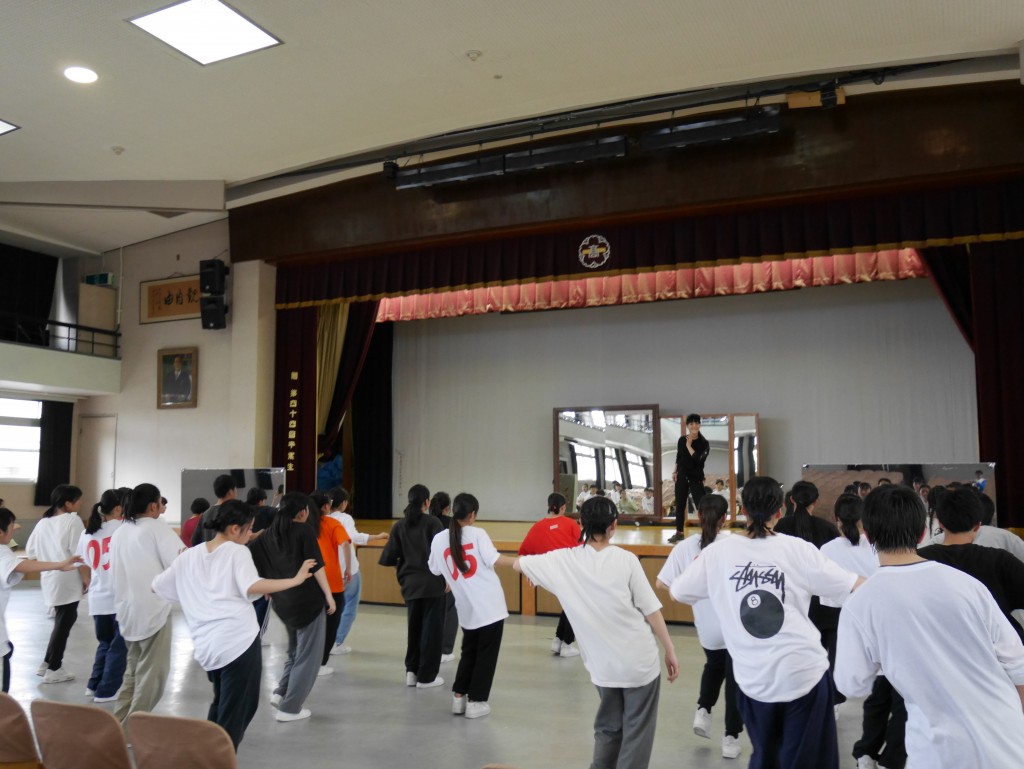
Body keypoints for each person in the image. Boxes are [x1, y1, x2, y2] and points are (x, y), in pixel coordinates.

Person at [670, 476, 863, 769]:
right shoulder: (799, 550)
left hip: (753, 680)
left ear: (743, 510)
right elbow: (853, 585)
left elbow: (679, 591)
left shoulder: (717, 553)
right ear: (780, 511)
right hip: (803, 674)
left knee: (766, 756)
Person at [835, 486, 1024, 769]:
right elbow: (1017, 661)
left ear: (868, 536)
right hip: (1005, 735)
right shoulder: (968, 585)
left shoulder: (860, 603)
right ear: (923, 533)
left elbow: (852, 683)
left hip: (936, 747)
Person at [514, 496, 679, 769]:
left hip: (603, 667)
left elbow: (517, 563)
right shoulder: (626, 560)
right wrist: (670, 649)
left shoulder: (564, 560)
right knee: (637, 732)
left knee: (608, 728)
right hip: (639, 664)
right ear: (614, 525)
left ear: (581, 523)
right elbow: (651, 610)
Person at [152, 499, 317, 749]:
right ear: (234, 529)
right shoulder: (236, 551)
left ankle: (209, 753)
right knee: (237, 711)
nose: (251, 534)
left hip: (208, 648)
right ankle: (219, 757)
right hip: (238, 645)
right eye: (249, 529)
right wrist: (295, 580)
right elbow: (252, 586)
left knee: (222, 703)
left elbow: (157, 587)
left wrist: (195, 590)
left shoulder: (190, 555)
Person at [656, 494, 743, 760]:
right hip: (735, 623)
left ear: (699, 516)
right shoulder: (735, 544)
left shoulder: (684, 547)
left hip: (706, 624)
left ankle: (703, 711)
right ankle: (730, 737)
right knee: (735, 680)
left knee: (714, 665)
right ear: (725, 518)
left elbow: (661, 583)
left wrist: (691, 595)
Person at [821, 494, 903, 769]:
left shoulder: (827, 549)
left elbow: (825, 595)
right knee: (888, 686)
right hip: (879, 618)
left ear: (836, 519)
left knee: (849, 672)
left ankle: (864, 748)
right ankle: (882, 754)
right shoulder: (876, 546)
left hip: (842, 616)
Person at [248, 492, 335, 722]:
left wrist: (266, 587)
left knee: (295, 651)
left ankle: (281, 692)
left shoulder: (265, 536)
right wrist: (329, 595)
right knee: (308, 657)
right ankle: (290, 708)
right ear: (303, 512)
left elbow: (253, 563)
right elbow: (316, 567)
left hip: (282, 602)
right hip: (308, 603)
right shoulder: (303, 531)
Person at [428, 492, 512, 719]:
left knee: (469, 652)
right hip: (490, 606)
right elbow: (496, 560)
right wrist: (523, 562)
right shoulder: (477, 534)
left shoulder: (439, 539)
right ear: (472, 514)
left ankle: (459, 696)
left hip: (466, 608)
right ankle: (476, 701)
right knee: (486, 654)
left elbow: (434, 569)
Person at [110, 483, 186, 722]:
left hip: (127, 611)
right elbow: (182, 562)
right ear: (153, 505)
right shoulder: (156, 528)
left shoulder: (121, 530)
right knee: (152, 677)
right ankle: (132, 728)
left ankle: (118, 725)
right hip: (153, 611)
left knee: (132, 674)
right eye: (161, 502)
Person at [772, 481, 845, 709]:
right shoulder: (828, 529)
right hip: (823, 603)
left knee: (795, 655)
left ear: (791, 500)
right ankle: (831, 700)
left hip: (790, 602)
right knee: (827, 654)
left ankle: (797, 696)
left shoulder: (780, 527)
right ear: (816, 501)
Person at [917, 487, 1024, 641]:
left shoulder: (919, 559)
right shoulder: (1000, 560)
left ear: (940, 523)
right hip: (994, 647)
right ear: (978, 526)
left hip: (937, 645)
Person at [0, 507, 82, 692]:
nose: (14, 530)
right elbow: (21, 565)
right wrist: (59, 564)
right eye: (11, 527)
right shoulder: (2, 552)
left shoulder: (44, 523)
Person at [379, 484, 447, 688]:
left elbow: (389, 558)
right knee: (432, 631)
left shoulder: (399, 526)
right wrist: (448, 580)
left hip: (410, 585)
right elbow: (443, 554)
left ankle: (412, 671)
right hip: (433, 584)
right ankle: (427, 677)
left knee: (414, 628)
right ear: (426, 502)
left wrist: (404, 574)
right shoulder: (433, 523)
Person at [26, 483, 89, 684]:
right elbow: (78, 553)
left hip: (49, 576)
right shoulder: (73, 520)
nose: (81, 503)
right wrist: (86, 577)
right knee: (64, 622)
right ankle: (54, 668)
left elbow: (31, 552)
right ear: (68, 503)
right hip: (68, 577)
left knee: (62, 620)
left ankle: (47, 663)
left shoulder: (43, 522)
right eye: (78, 500)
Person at [77, 489, 127, 703]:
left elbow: (80, 561)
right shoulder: (124, 529)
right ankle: (107, 691)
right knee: (119, 647)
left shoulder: (88, 532)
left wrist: (87, 579)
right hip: (118, 597)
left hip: (98, 597)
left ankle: (93, 684)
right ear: (118, 508)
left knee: (105, 643)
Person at [518, 492, 582, 658]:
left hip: (548, 576)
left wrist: (530, 572)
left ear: (548, 507)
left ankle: (558, 640)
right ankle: (567, 644)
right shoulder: (571, 524)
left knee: (569, 603)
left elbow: (524, 552)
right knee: (576, 604)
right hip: (568, 573)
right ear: (563, 507)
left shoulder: (537, 527)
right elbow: (582, 548)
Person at [327, 486, 389, 655]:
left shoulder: (323, 519)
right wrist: (378, 536)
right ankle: (336, 642)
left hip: (329, 573)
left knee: (330, 608)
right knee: (349, 607)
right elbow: (353, 537)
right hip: (348, 571)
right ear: (344, 503)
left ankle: (326, 642)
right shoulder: (345, 518)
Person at [308, 491, 352, 675]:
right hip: (331, 580)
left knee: (310, 625)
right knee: (331, 624)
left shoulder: (305, 524)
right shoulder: (332, 523)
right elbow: (345, 544)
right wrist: (348, 568)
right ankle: (321, 664)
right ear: (326, 506)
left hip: (309, 580)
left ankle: (308, 661)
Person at [427, 491, 459, 663]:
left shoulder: (426, 521)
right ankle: (445, 650)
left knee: (430, 612)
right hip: (447, 573)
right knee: (450, 609)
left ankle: (430, 648)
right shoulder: (452, 523)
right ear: (448, 508)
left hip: (428, 571)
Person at [669, 414, 709, 543]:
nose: (694, 426)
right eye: (691, 423)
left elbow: (698, 459)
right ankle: (679, 532)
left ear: (699, 425)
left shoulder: (704, 443)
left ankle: (707, 532)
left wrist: (689, 445)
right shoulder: (681, 440)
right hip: (682, 476)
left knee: (701, 506)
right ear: (687, 426)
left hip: (696, 477)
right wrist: (674, 471)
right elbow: (679, 457)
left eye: (696, 423)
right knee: (680, 505)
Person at [192, 474, 237, 546]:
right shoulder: (233, 513)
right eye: (235, 489)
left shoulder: (205, 514)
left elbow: (194, 540)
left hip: (209, 552)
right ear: (230, 492)